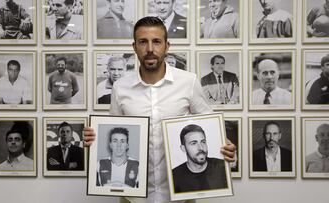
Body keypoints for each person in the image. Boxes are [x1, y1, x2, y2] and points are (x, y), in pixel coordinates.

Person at [84, 16, 236, 202]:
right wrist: (95, 139)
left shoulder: (188, 82)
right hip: (134, 198)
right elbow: (115, 133)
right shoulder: (120, 87)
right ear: (134, 47)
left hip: (180, 196)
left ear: (167, 46)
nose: (150, 49)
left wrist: (225, 147)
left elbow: (211, 130)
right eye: (143, 42)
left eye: (156, 42)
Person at [172, 124, 227, 193]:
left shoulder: (222, 166)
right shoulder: (174, 176)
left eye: (203, 142)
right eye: (194, 143)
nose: (201, 148)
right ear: (183, 149)